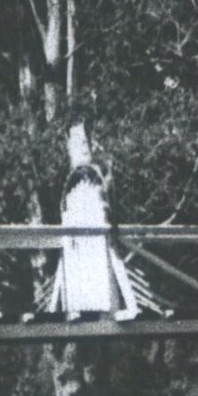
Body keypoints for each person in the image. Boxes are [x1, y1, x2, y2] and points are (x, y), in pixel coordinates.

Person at [60, 123, 116, 315]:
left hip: (99, 250)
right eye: (79, 143)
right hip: (80, 253)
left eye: (86, 142)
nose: (85, 147)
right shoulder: (73, 184)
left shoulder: (96, 177)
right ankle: (80, 306)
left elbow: (107, 214)